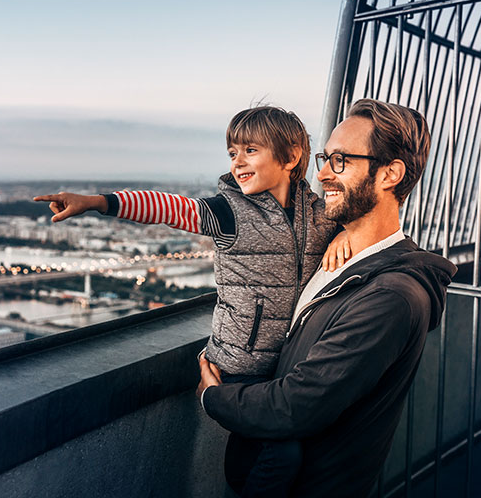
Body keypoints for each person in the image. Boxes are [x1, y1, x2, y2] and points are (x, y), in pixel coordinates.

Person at [35, 106, 349, 497]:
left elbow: (361, 223)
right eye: (232, 152)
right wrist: (99, 202)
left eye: (250, 150)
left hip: (292, 361)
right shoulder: (228, 211)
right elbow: (168, 208)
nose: (237, 161)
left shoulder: (320, 214)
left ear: (291, 157)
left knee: (291, 450)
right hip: (241, 364)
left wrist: (342, 236)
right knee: (280, 454)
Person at [198, 99, 458, 498]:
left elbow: (296, 405)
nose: (321, 174)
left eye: (340, 160)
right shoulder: (337, 255)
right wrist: (342, 233)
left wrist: (214, 397)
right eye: (325, 158)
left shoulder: (391, 297)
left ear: (390, 173)